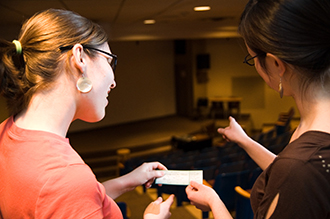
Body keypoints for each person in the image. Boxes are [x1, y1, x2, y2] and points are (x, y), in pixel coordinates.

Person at [0, 9, 174, 219]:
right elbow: (68, 194)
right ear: (79, 58)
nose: (113, 82)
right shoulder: (66, 177)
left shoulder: (5, 132)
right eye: (110, 61)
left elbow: (65, 204)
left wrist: (126, 181)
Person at [186, 0, 330, 218]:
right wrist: (245, 141)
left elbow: (296, 174)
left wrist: (214, 201)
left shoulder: (299, 167)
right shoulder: (313, 133)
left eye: (252, 59)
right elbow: (293, 175)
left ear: (275, 64)